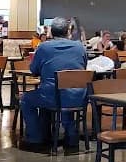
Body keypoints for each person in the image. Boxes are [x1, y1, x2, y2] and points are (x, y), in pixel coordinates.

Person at [19, 17, 88, 154]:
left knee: (26, 99)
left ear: (50, 31)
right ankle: (72, 138)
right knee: (65, 93)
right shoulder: (80, 47)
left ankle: (35, 138)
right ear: (68, 31)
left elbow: (34, 70)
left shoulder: (44, 47)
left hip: (51, 97)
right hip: (79, 97)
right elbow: (83, 67)